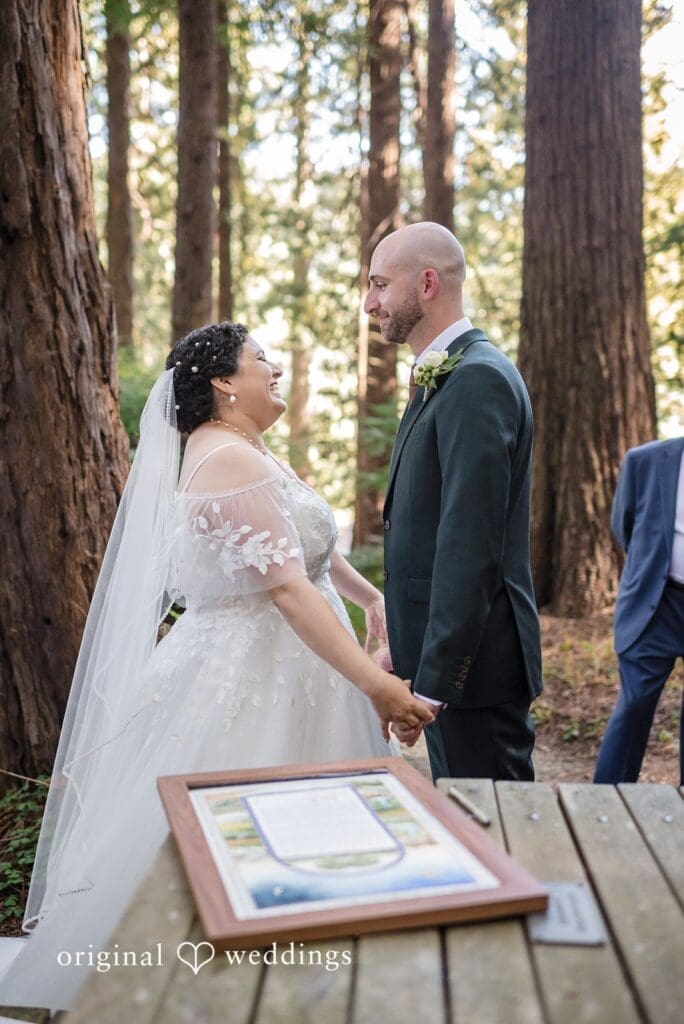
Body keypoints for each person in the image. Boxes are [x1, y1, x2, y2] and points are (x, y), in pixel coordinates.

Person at [0, 321, 434, 1012]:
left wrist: (369, 595)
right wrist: (377, 683)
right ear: (224, 383)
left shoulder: (246, 448)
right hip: (253, 676)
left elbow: (308, 544)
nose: (276, 368)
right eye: (262, 359)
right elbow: (288, 586)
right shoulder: (227, 461)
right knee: (245, 845)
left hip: (296, 665)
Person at [363, 222, 542, 781]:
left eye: (380, 285)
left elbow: (470, 546)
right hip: (450, 662)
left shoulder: (477, 379)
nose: (369, 304)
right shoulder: (447, 375)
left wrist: (436, 684)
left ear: (428, 283)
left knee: (499, 834)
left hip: (476, 668)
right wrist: (407, 655)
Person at [594, 437, 684, 785]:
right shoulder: (645, 460)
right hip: (656, 603)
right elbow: (624, 525)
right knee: (634, 705)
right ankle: (606, 800)